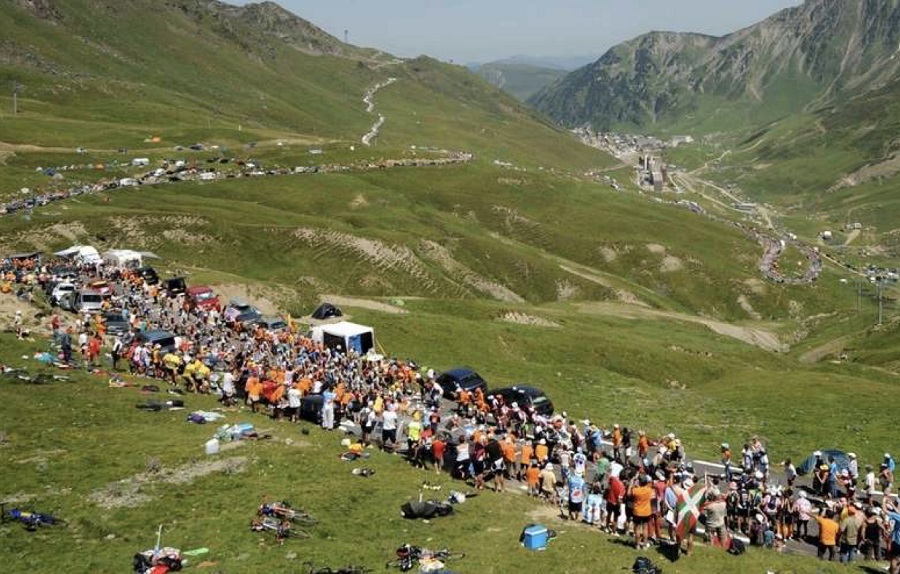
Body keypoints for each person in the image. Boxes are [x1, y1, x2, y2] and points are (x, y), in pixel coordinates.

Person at [629, 474, 654, 549]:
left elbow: (628, 494)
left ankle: (637, 545)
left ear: (639, 482)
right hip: (646, 512)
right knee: (645, 528)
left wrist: (631, 483)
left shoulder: (636, 490)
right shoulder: (649, 490)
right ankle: (645, 545)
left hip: (637, 512)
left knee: (637, 529)